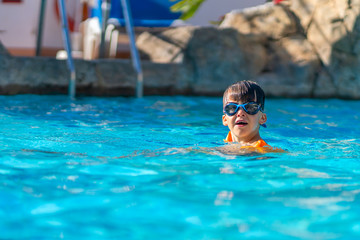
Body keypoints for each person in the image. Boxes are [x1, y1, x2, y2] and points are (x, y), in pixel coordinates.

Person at [220, 80, 282, 154]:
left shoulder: (263, 151)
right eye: (232, 107)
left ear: (262, 118)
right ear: (225, 119)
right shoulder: (229, 140)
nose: (240, 113)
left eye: (250, 107)